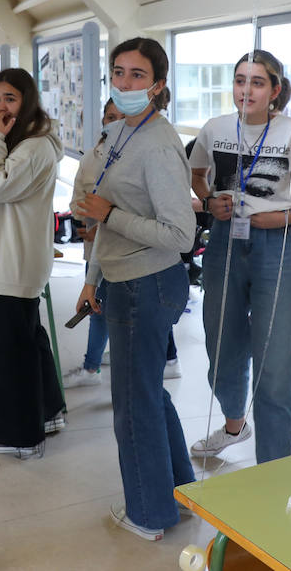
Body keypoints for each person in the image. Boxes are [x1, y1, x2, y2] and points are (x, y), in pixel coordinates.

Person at [72, 37, 196, 541]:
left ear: (158, 85)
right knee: (145, 394)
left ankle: (148, 514)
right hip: (121, 278)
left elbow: (180, 235)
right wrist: (91, 277)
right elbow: (100, 210)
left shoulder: (160, 144)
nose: (125, 84)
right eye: (118, 73)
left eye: (137, 76)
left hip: (149, 283)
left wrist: (112, 215)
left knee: (133, 402)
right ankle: (179, 491)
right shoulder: (119, 132)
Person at [188, 50, 291, 464]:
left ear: (275, 90)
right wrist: (210, 200)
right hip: (225, 242)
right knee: (221, 346)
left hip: (276, 245)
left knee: (276, 362)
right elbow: (197, 175)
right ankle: (235, 424)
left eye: (257, 82)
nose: (246, 90)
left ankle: (274, 468)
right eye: (239, 80)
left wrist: (284, 215)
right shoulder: (214, 129)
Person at [0, 69, 66, 457]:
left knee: (10, 351)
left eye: (10, 98)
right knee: (28, 339)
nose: (0, 107)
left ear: (27, 100)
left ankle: (17, 437)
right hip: (14, 257)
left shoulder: (33, 147)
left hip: (15, 261)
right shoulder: (27, 141)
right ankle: (47, 412)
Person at [62, 99, 123, 388]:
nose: (114, 123)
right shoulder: (91, 158)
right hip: (96, 248)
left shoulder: (141, 154)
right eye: (110, 117)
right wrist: (93, 218)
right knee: (97, 305)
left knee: (127, 311)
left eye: (121, 117)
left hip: (132, 252)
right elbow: (76, 203)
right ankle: (91, 366)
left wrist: (108, 218)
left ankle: (170, 359)